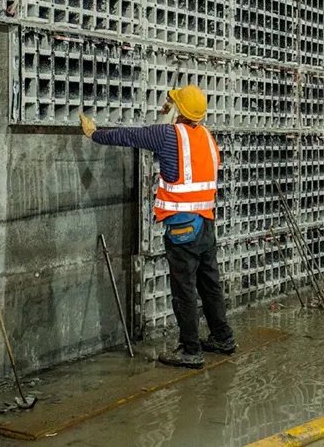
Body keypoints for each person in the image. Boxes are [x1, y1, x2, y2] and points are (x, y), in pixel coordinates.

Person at [80, 84, 235, 368]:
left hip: (182, 228)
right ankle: (222, 337)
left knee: (184, 290)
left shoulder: (167, 134)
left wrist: (95, 134)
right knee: (209, 284)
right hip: (206, 225)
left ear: (177, 109)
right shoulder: (206, 138)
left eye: (170, 102)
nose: (166, 104)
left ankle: (190, 350)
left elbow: (130, 136)